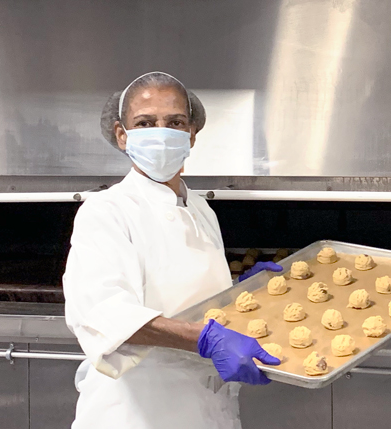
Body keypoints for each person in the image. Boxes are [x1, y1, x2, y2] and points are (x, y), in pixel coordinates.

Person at [63, 71, 282, 428]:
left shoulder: (200, 209)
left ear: (192, 134)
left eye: (175, 122)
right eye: (145, 123)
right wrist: (206, 339)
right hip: (137, 411)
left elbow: (191, 295)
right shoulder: (106, 210)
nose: (160, 133)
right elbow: (103, 313)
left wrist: (243, 291)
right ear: (122, 135)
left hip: (205, 406)